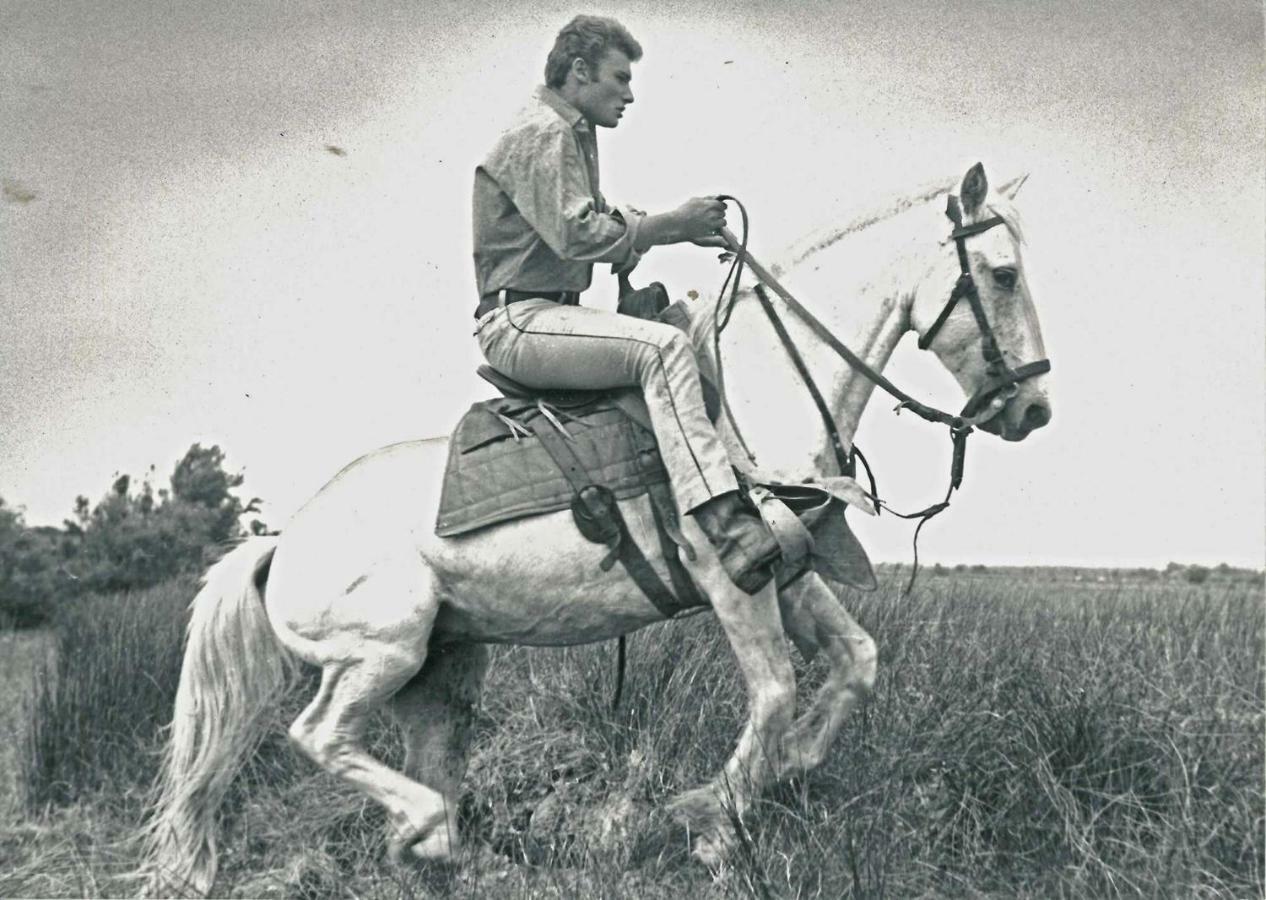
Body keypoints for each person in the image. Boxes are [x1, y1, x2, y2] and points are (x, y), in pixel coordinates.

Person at [471, 15, 781, 594]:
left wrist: (671, 231)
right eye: (620, 77)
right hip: (519, 320)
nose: (630, 94)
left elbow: (594, 223)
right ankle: (722, 521)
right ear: (580, 71)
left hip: (547, 313)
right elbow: (576, 234)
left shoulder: (570, 130)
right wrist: (670, 225)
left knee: (683, 333)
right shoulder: (543, 132)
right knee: (663, 349)